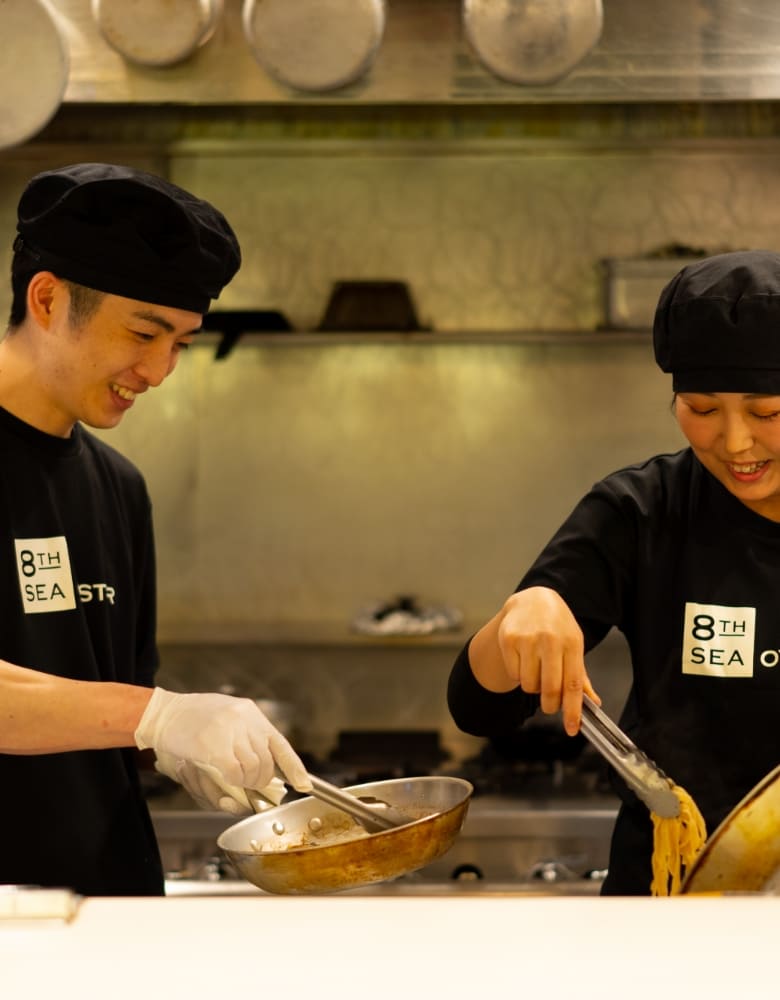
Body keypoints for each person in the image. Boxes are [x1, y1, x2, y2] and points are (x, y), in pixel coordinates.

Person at [0, 162, 310, 897]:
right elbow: (138, 709)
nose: (161, 370)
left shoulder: (118, 488)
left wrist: (183, 750)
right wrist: (159, 717)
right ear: (47, 299)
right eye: (144, 333)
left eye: (182, 343)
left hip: (110, 906)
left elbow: (113, 710)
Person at [447, 249, 780, 894]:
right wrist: (527, 610)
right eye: (702, 409)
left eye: (767, 412)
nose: (735, 442)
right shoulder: (642, 510)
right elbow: (477, 705)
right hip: (671, 895)